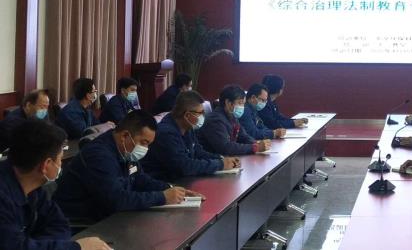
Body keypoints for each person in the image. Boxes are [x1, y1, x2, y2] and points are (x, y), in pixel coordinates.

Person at [54, 110, 202, 221]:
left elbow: (140, 179)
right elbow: (116, 200)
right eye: (144, 143)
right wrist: (162, 197)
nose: (145, 149)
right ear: (125, 136)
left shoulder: (125, 150)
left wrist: (171, 189)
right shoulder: (99, 156)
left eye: (149, 144)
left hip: (108, 217)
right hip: (81, 223)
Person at [0, 119, 111, 250]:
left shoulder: (33, 187)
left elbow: (59, 224)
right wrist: (75, 248)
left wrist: (39, 246)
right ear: (46, 165)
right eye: (60, 159)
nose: (61, 164)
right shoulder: (4, 198)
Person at [142, 90, 240, 181]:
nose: (203, 116)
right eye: (200, 113)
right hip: (163, 182)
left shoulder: (187, 126)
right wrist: (220, 164)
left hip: (182, 179)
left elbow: (198, 152)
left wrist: (222, 159)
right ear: (187, 115)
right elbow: (184, 166)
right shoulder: (166, 133)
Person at [198, 85, 271, 156]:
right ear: (228, 103)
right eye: (240, 103)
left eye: (243, 104)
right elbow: (226, 147)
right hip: (214, 159)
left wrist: (256, 143)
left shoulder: (232, 116)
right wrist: (255, 148)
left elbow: (243, 136)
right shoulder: (215, 120)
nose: (242, 107)